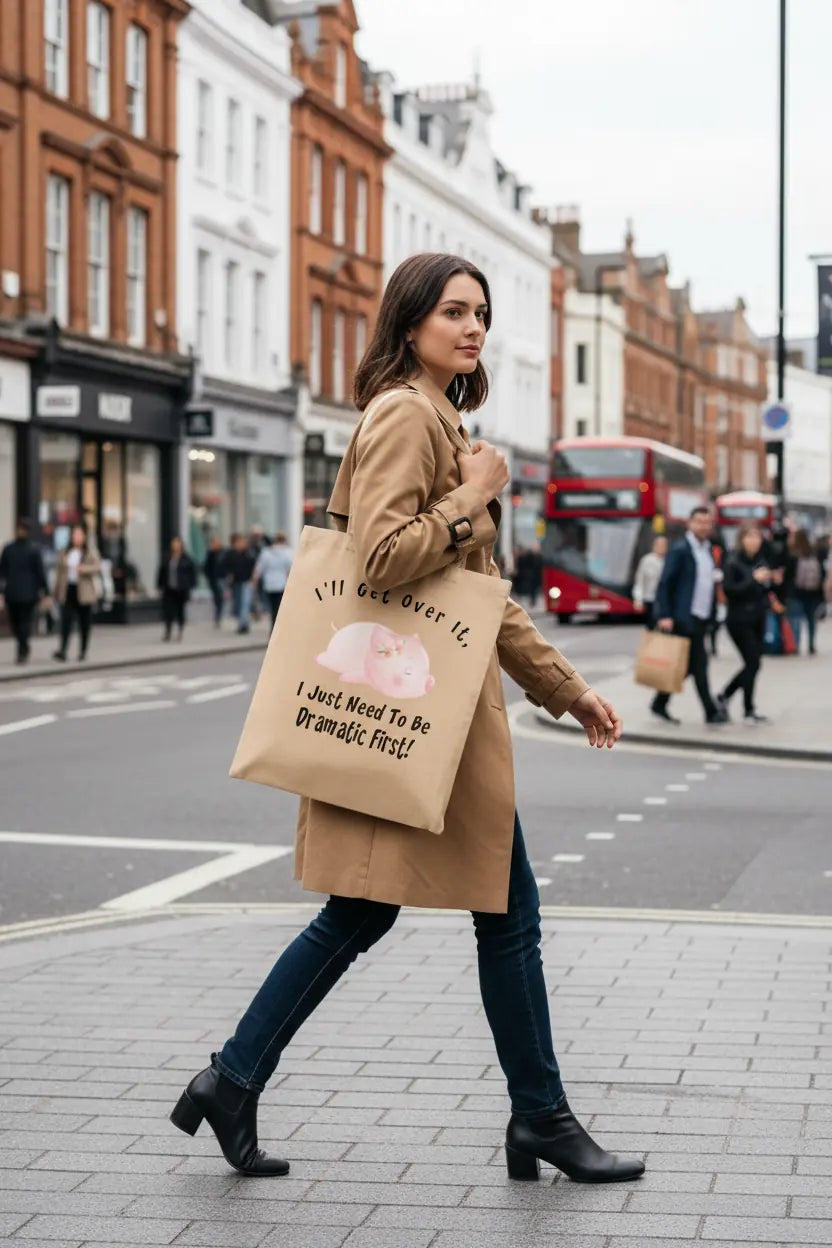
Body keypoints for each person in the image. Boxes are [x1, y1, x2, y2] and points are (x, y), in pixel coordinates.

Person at [171, 253, 643, 1187]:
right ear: (411, 321)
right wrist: (475, 496)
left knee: (371, 911)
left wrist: (564, 687)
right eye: (453, 312)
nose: (473, 329)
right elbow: (382, 559)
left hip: (422, 713)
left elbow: (476, 595)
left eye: (481, 314)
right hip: (412, 712)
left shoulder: (442, 420)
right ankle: (540, 1118)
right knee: (496, 916)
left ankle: (233, 1080)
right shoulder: (403, 415)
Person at [651, 506, 728, 725]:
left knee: (686, 666)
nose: (703, 526)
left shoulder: (708, 550)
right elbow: (665, 584)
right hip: (684, 616)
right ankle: (711, 712)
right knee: (699, 664)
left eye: (707, 522)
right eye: (699, 522)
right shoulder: (680, 549)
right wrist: (665, 614)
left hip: (702, 616)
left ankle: (660, 702)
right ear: (690, 524)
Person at [716, 525, 772, 724]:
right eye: (750, 537)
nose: (754, 541)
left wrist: (769, 581)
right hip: (739, 619)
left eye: (757, 537)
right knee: (753, 662)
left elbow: (764, 589)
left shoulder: (761, 560)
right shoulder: (733, 561)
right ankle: (742, 705)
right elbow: (730, 590)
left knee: (754, 664)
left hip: (758, 617)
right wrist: (753, 579)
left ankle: (732, 700)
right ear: (742, 539)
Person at [0, 518, 51, 664]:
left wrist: (46, 594)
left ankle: (22, 650)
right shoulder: (9, 549)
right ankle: (23, 646)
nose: (20, 532)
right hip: (12, 593)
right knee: (15, 623)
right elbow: (2, 571)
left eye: (23, 529)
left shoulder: (34, 549)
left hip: (29, 594)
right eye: (18, 529)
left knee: (25, 622)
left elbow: (40, 573)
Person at [52, 525, 101, 662]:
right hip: (69, 590)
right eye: (74, 535)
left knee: (84, 622)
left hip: (84, 592)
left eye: (79, 535)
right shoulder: (65, 552)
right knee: (66, 621)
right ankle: (62, 650)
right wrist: (55, 592)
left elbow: (97, 567)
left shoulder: (89, 552)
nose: (77, 538)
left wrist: (84, 569)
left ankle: (83, 650)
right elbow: (59, 573)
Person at [786, 529, 824, 655]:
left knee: (796, 620)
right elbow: (821, 574)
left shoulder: (793, 554)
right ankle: (811, 645)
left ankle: (796, 645)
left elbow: (789, 574)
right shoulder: (814, 553)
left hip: (797, 592)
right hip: (813, 592)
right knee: (811, 620)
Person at [157, 537, 197, 642]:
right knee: (168, 611)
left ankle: (180, 630)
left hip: (181, 589)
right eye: (173, 543)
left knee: (180, 611)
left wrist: (190, 586)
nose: (175, 546)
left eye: (177, 543)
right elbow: (161, 572)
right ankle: (168, 631)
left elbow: (192, 574)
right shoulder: (167, 557)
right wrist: (159, 585)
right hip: (169, 589)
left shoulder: (186, 559)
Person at [252, 532, 294, 629]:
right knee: (279, 608)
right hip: (282, 584)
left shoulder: (266, 552)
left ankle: (273, 627)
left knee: (272, 608)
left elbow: (259, 568)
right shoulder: (288, 552)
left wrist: (254, 581)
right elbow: (291, 569)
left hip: (269, 585)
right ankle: (276, 628)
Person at [224, 533, 256, 634]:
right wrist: (228, 575)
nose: (243, 544)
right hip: (236, 582)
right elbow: (224, 566)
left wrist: (253, 579)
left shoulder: (248, 553)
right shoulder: (230, 554)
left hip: (246, 581)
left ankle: (243, 624)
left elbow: (253, 566)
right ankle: (242, 623)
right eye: (240, 542)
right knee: (238, 603)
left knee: (245, 603)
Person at [632, 534, 667, 622]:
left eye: (664, 545)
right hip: (650, 598)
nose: (661, 547)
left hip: (665, 599)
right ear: (654, 546)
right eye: (659, 545)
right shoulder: (646, 560)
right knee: (652, 624)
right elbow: (640, 581)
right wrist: (638, 599)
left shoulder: (670, 560)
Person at [203, 536, 227, 628]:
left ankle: (218, 616)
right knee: (217, 598)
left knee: (220, 598)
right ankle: (217, 616)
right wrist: (209, 577)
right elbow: (206, 567)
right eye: (214, 543)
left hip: (221, 579)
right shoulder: (210, 553)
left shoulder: (223, 553)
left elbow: (227, 565)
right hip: (213, 579)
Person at [513, 543, 543, 608]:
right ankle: (532, 599)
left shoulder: (537, 557)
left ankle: (532, 599)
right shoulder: (531, 556)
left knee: (534, 589)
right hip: (533, 575)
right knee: (533, 589)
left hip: (535, 575)